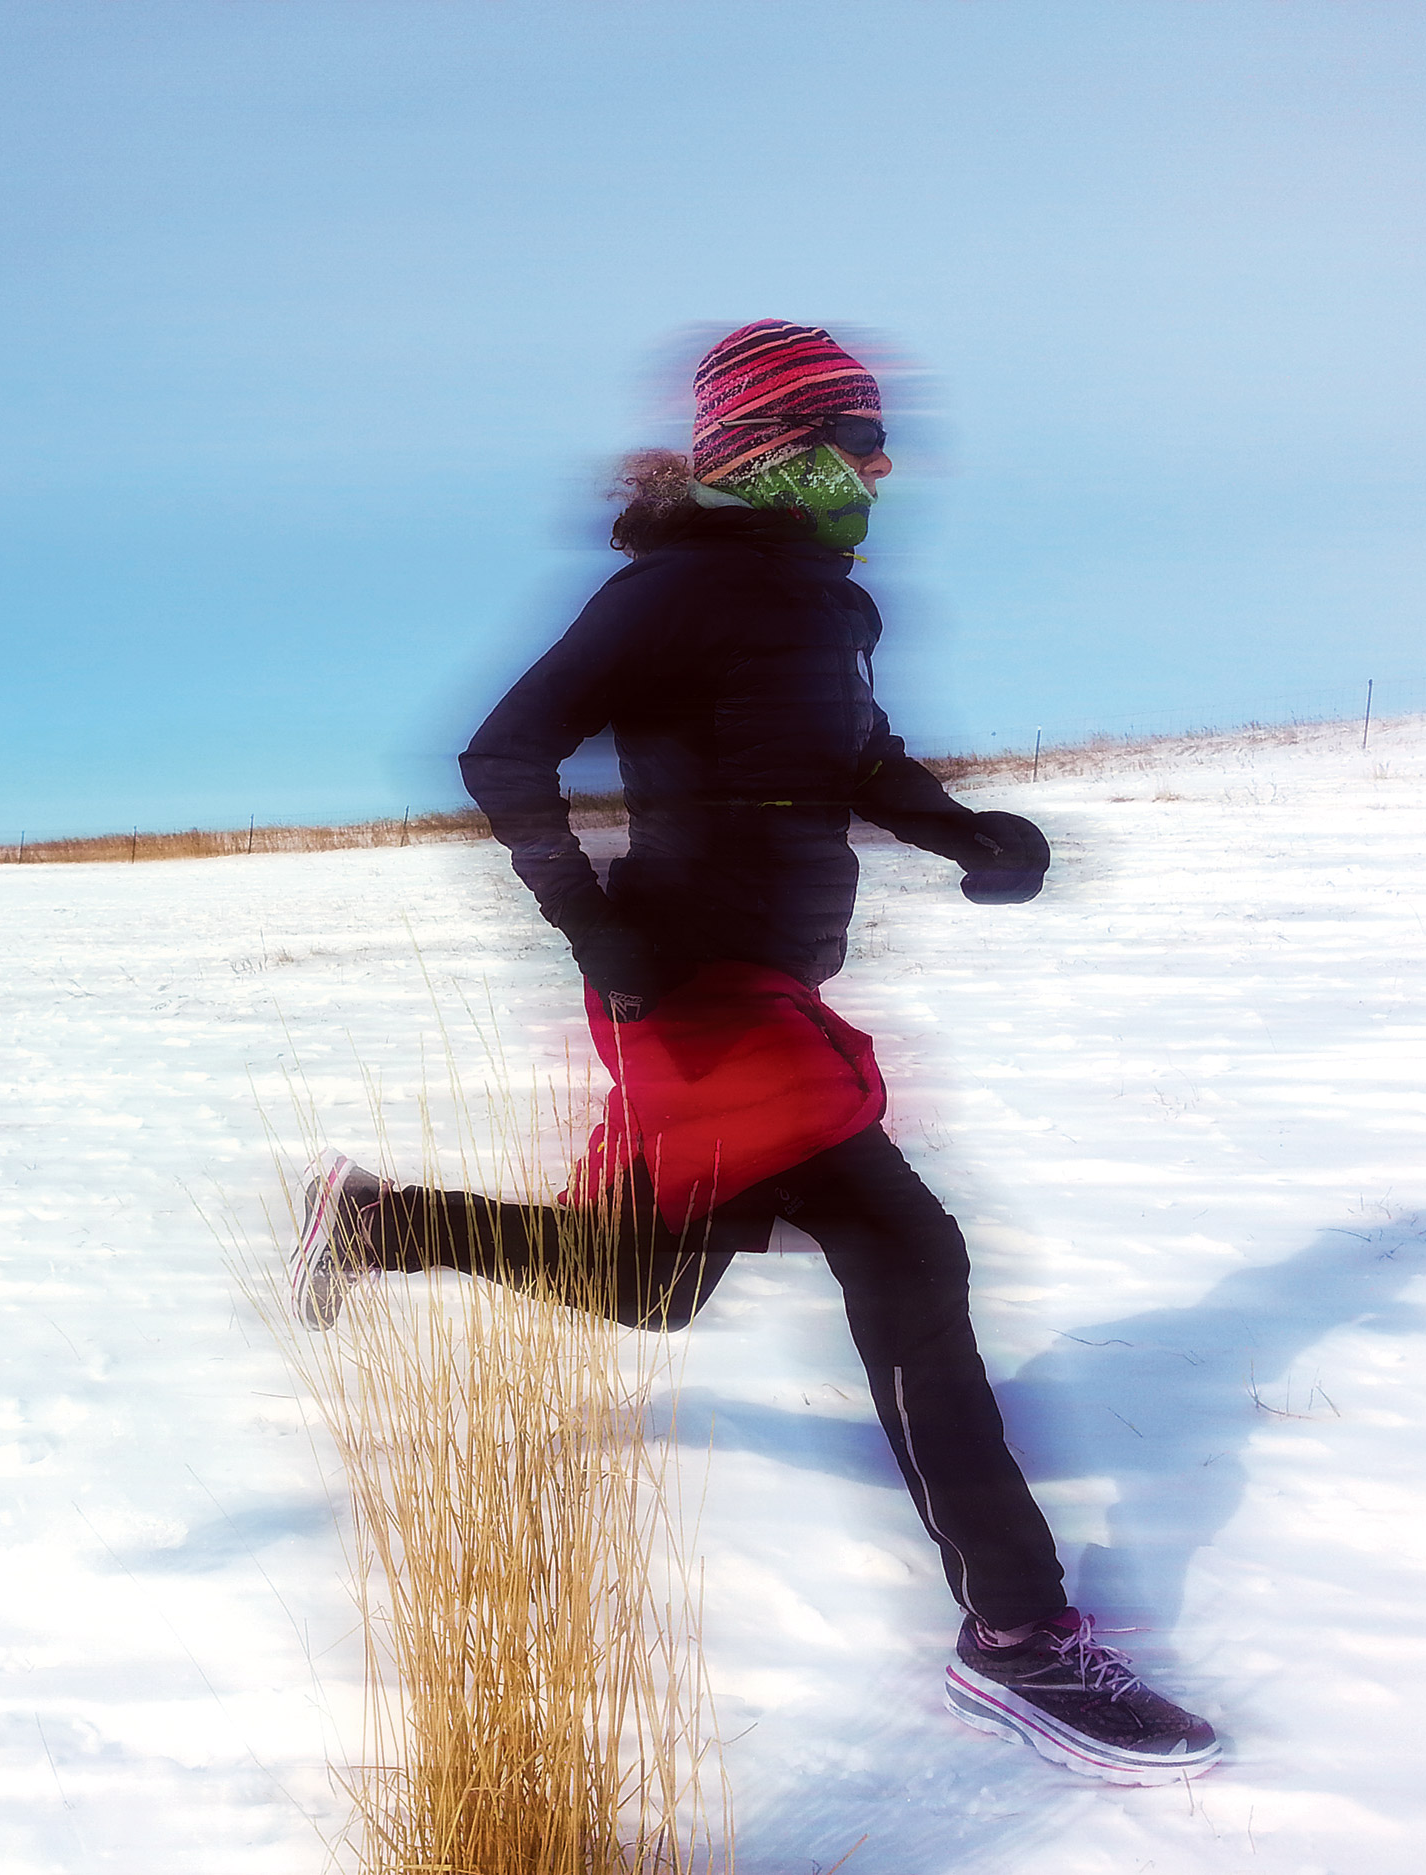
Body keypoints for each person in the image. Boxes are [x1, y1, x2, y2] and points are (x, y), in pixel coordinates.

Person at [288, 319, 1221, 1785]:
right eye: (857, 440)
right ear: (778, 452)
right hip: (694, 987)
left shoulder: (829, 607)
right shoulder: (676, 589)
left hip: (764, 989)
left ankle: (383, 1221)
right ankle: (1019, 1636)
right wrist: (591, 923)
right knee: (907, 1252)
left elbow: (856, 760)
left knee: (647, 1287)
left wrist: (966, 835)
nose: (884, 466)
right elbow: (505, 750)